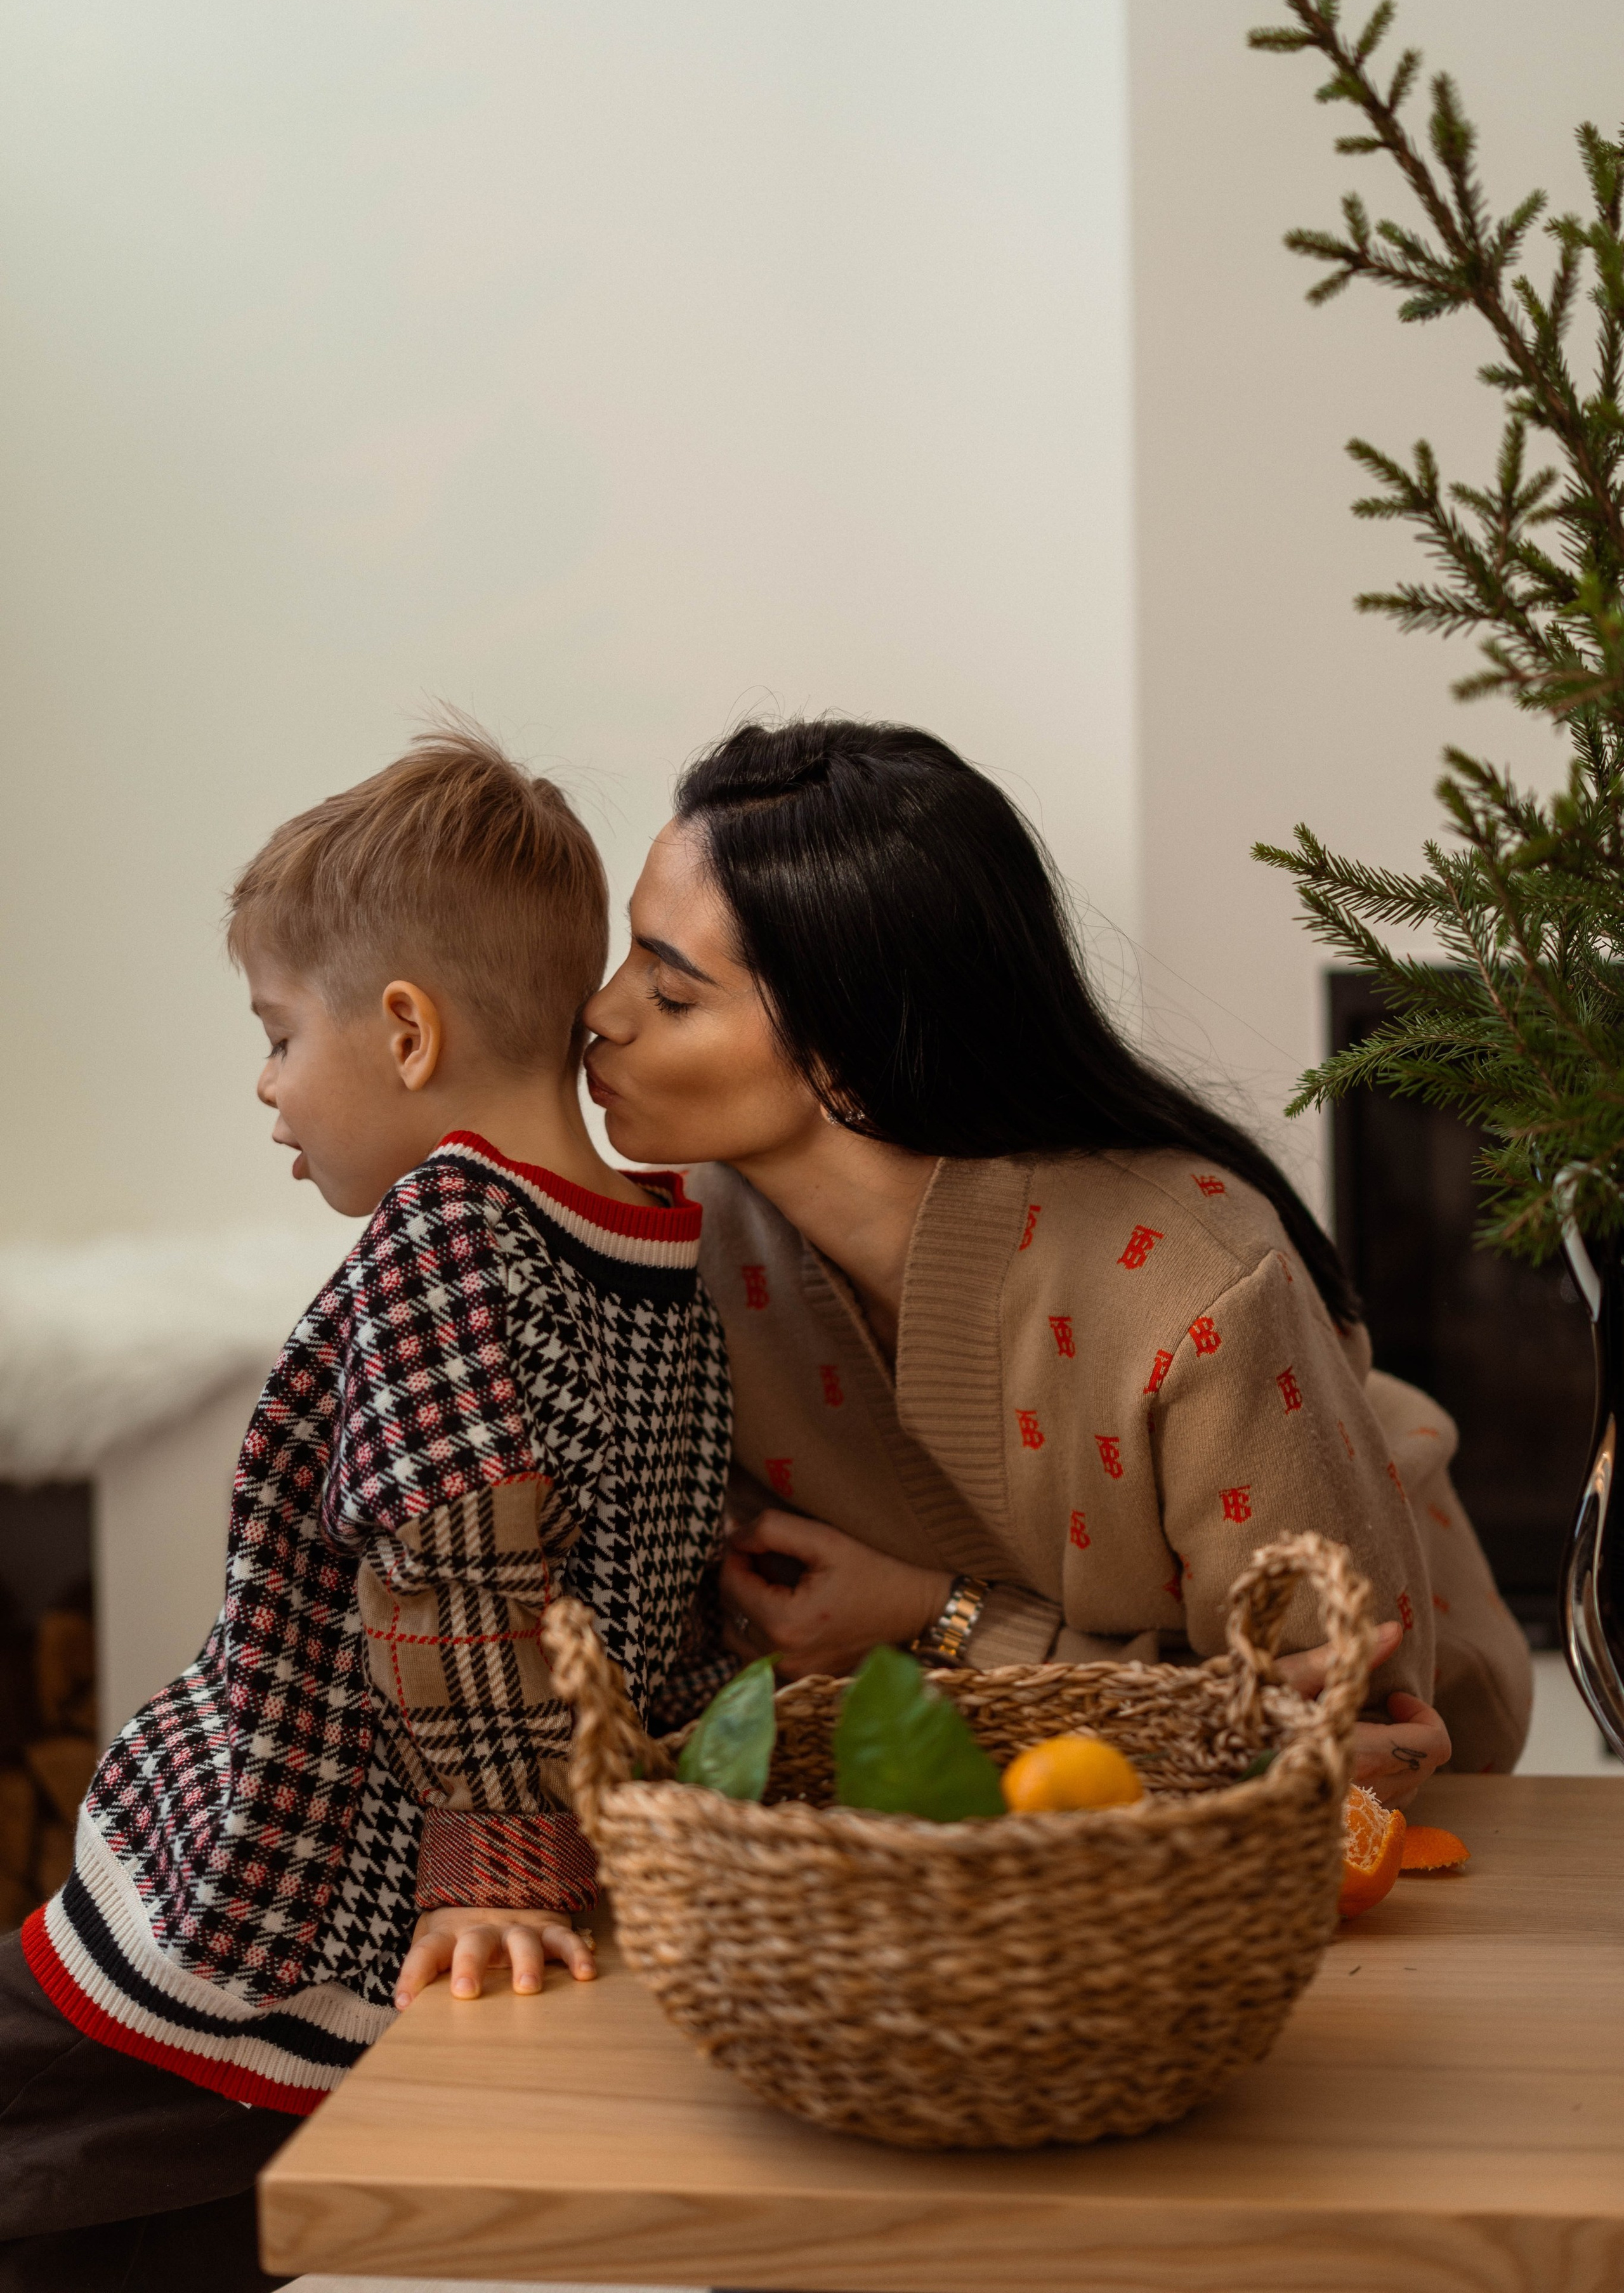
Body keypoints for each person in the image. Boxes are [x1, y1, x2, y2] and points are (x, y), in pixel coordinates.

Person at [0, 726, 730, 2293]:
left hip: (270, 1901)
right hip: (416, 1896)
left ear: (405, 1031)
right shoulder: (661, 1249)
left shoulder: (445, 1229)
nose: (266, 1086)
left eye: (277, 1034)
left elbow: (457, 1556)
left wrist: (499, 1856)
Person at [584, 716, 1532, 1801]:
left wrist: (936, 1621)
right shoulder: (684, 1243)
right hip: (983, 1836)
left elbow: (1344, 1750)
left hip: (1436, 1818)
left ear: (849, 1051)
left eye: (672, 994)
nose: (600, 1012)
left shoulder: (1193, 1284)